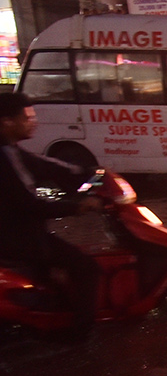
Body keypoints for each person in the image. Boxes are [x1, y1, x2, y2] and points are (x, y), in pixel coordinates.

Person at [0, 92, 103, 339]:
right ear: (7, 122)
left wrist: (92, 173)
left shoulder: (12, 151)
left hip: (15, 232)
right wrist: (77, 206)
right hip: (18, 238)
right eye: (27, 118)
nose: (33, 122)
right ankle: (80, 334)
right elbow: (31, 204)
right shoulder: (6, 155)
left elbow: (46, 165)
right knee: (88, 268)